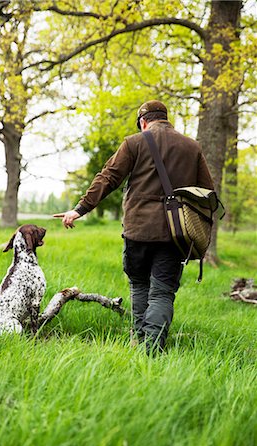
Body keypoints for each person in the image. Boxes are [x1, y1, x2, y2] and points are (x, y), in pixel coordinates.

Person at [54, 100, 214, 354]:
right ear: (166, 119)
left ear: (143, 121)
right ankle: (152, 348)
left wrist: (80, 209)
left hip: (138, 230)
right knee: (162, 293)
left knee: (139, 285)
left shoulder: (135, 142)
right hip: (176, 233)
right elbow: (208, 193)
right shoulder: (191, 147)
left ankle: (140, 341)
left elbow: (108, 178)